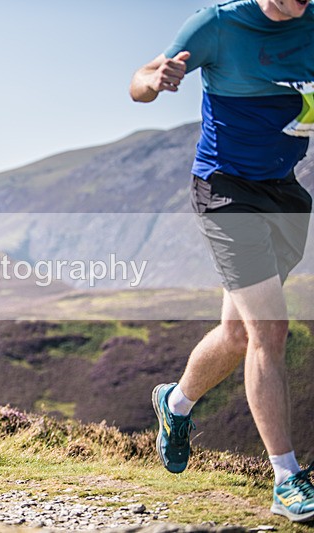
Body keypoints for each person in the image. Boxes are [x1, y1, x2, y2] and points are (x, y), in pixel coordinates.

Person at [130, 0, 314, 523]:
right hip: (226, 192)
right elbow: (138, 82)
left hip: (284, 193)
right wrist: (155, 79)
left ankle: (176, 403)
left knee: (237, 334)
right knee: (269, 330)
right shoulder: (218, 24)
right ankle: (286, 480)